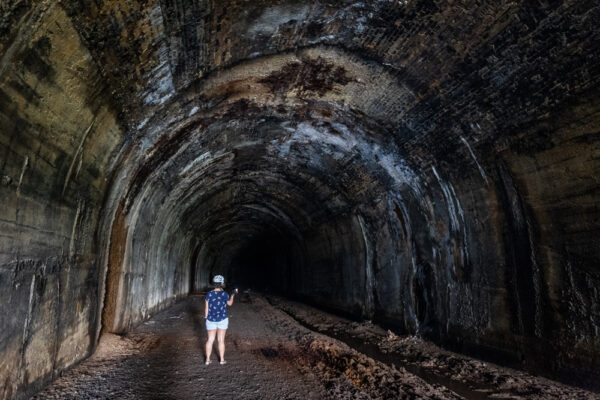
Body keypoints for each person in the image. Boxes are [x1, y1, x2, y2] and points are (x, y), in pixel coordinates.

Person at [204, 275, 238, 365]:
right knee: (221, 340)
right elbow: (230, 304)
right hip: (222, 319)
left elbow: (206, 308)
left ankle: (207, 360)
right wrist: (233, 295)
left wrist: (206, 317)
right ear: (222, 283)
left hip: (210, 320)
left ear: (213, 283)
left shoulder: (209, 294)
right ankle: (222, 360)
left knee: (210, 339)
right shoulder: (224, 294)